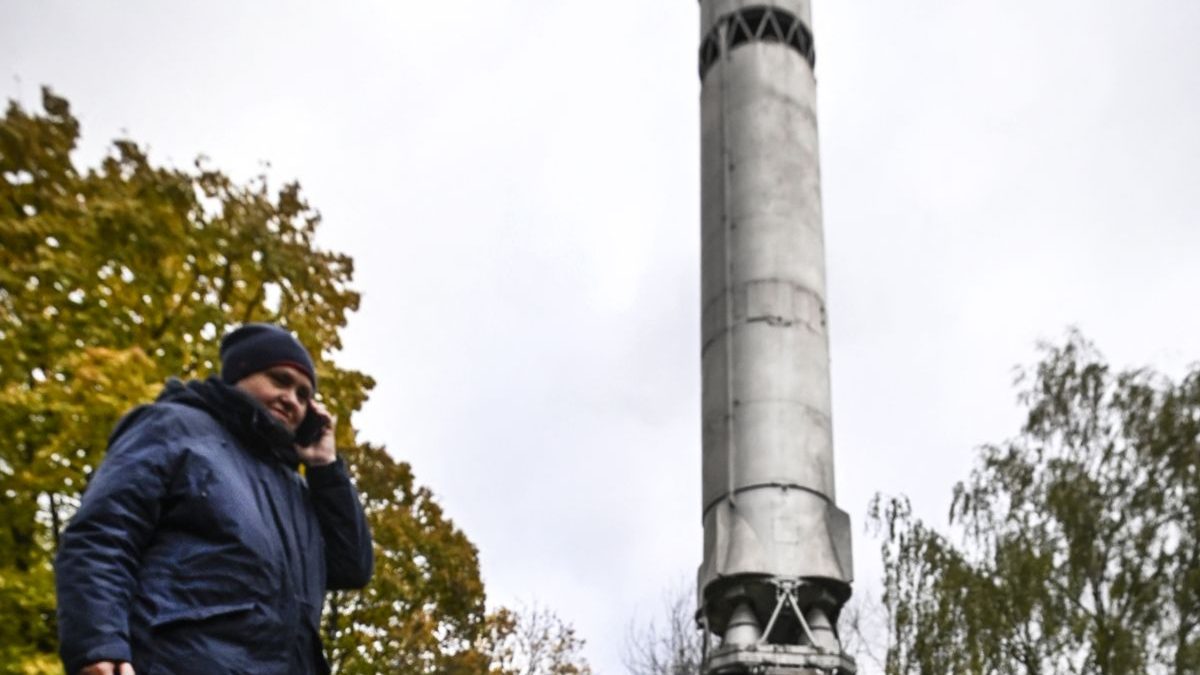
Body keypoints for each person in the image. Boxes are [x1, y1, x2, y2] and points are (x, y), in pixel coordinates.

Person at [55, 323, 374, 675]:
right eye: (279, 380)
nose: (292, 400)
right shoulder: (175, 426)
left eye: (303, 394)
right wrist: (99, 645)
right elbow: (104, 535)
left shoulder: (296, 490)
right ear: (241, 374)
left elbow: (352, 567)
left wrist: (325, 468)